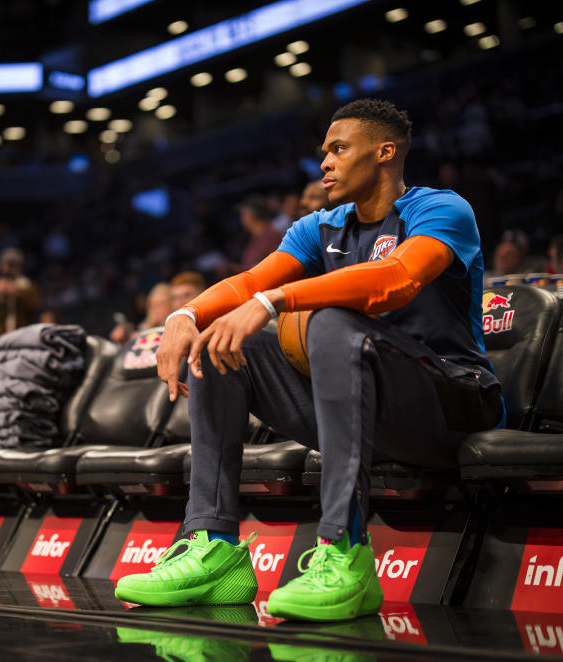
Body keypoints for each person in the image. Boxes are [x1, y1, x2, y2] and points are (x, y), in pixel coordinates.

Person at [115, 99, 504, 622]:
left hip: (451, 407)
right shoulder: (320, 227)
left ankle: (344, 553)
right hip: (372, 410)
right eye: (323, 152)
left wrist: (275, 301)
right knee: (223, 342)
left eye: (339, 149)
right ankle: (214, 546)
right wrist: (183, 315)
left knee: (330, 319)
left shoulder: (439, 209)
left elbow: (396, 279)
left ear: (385, 152)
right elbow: (250, 281)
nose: (324, 162)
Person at [0, 248, 41, 343]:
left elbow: (34, 307)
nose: (8, 269)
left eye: (12, 265)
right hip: (0, 338)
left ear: (19, 267)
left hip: (23, 337)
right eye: (5, 265)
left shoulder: (27, 286)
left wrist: (16, 293)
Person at [238, 196, 285, 269]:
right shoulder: (256, 238)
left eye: (243, 214)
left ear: (252, 215)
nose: (241, 219)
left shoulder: (272, 236)